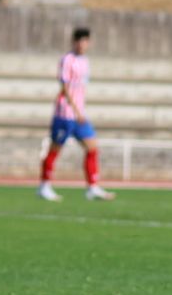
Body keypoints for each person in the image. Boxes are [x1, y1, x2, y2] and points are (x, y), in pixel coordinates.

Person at [37, 27, 115, 202]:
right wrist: (77, 110)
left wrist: (81, 110)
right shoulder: (67, 60)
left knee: (92, 147)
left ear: (89, 43)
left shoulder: (85, 62)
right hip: (65, 114)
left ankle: (92, 187)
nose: (82, 44)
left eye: (85, 41)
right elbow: (64, 87)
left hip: (79, 115)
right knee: (55, 150)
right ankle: (44, 186)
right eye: (79, 41)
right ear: (74, 42)